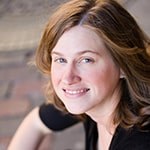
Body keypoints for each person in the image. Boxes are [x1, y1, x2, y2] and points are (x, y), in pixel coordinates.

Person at [8, 0, 150, 150]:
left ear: (123, 65)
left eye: (86, 60)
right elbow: (35, 123)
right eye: (61, 59)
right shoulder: (97, 99)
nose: (68, 78)